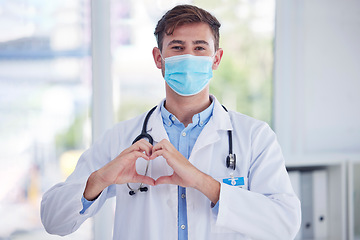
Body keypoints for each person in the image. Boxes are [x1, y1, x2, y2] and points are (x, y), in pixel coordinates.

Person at [41, 4, 301, 240]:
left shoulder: (254, 137)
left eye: (200, 47)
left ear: (216, 59)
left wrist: (202, 182)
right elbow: (53, 220)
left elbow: (285, 224)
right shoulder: (121, 139)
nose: (189, 56)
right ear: (158, 58)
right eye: (177, 47)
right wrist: (99, 180)